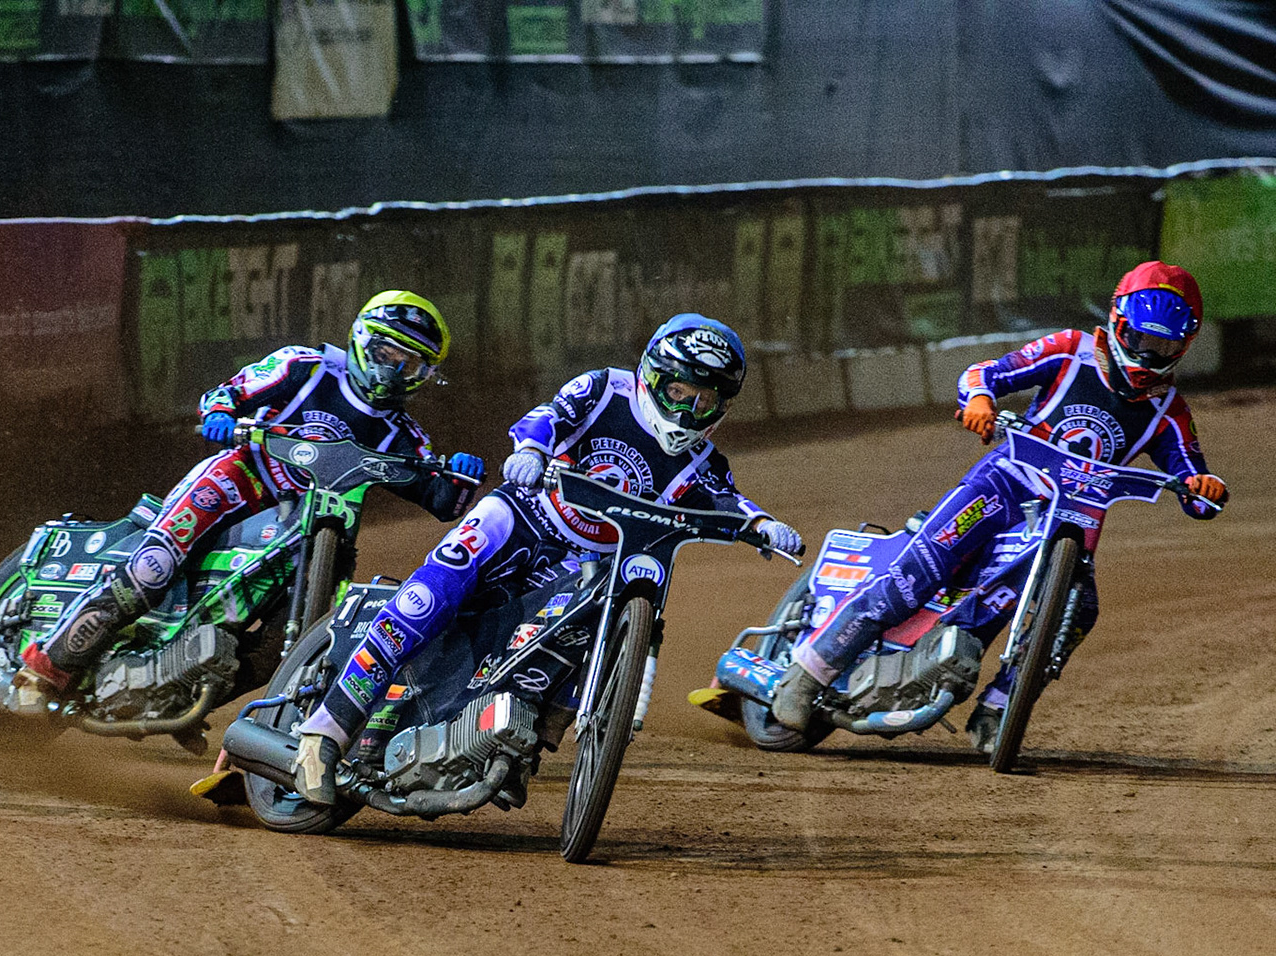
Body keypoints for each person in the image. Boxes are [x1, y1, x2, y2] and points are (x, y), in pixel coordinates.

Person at [291, 313, 805, 803]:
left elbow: (725, 499)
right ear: (653, 376)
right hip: (521, 517)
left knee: (582, 628)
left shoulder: (703, 460)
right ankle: (324, 732)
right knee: (431, 595)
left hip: (582, 564)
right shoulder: (605, 388)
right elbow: (550, 416)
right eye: (679, 393)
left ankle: (520, 744)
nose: (689, 412)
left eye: (705, 400)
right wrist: (532, 451)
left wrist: (762, 526)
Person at [769, 261, 1228, 750]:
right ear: (1118, 322)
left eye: (1163, 347)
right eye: (1140, 339)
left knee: (1079, 610)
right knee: (915, 575)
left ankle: (999, 708)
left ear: (1184, 345)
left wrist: (1205, 487)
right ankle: (808, 676)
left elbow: (1193, 481)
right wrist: (980, 400)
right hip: (1002, 486)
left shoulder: (1169, 411)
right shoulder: (1070, 350)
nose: (1148, 355)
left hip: (1074, 521)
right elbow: (985, 373)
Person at [11, 290, 485, 709]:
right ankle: (45, 668)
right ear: (363, 340)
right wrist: (220, 414)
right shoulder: (307, 366)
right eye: (386, 353)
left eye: (410, 364)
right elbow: (228, 392)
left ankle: (201, 706)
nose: (393, 370)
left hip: (318, 525)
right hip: (242, 477)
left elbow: (442, 500)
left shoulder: (403, 435)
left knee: (295, 642)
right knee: (153, 566)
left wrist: (461, 476)